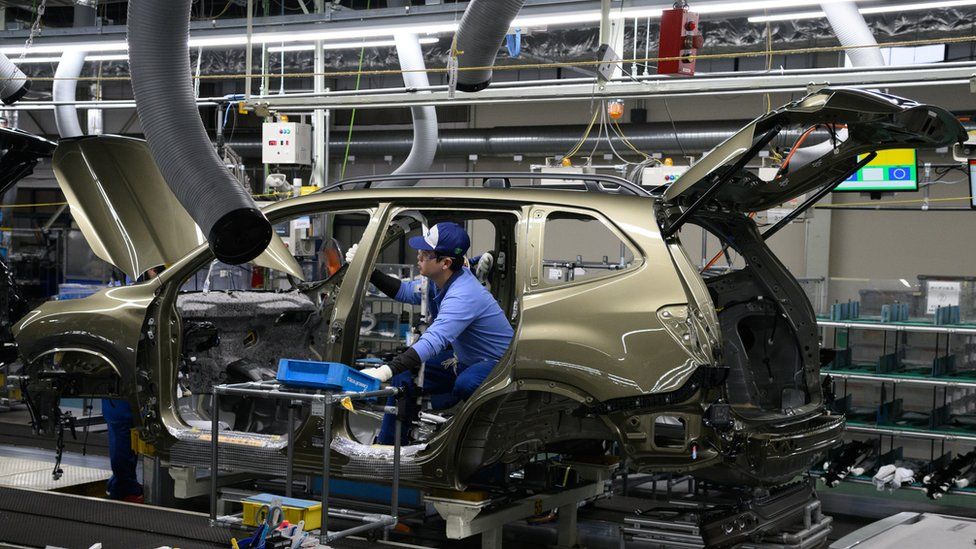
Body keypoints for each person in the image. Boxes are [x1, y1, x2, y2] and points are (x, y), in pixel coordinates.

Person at [351, 222, 514, 444]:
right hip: (465, 360)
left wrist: (384, 370)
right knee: (404, 377)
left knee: (466, 383)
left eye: (426, 254)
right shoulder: (438, 282)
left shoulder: (463, 293)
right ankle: (390, 445)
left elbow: (434, 340)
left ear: (445, 262)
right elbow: (405, 291)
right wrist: (369, 271)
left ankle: (474, 441)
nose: (418, 256)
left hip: (498, 364)